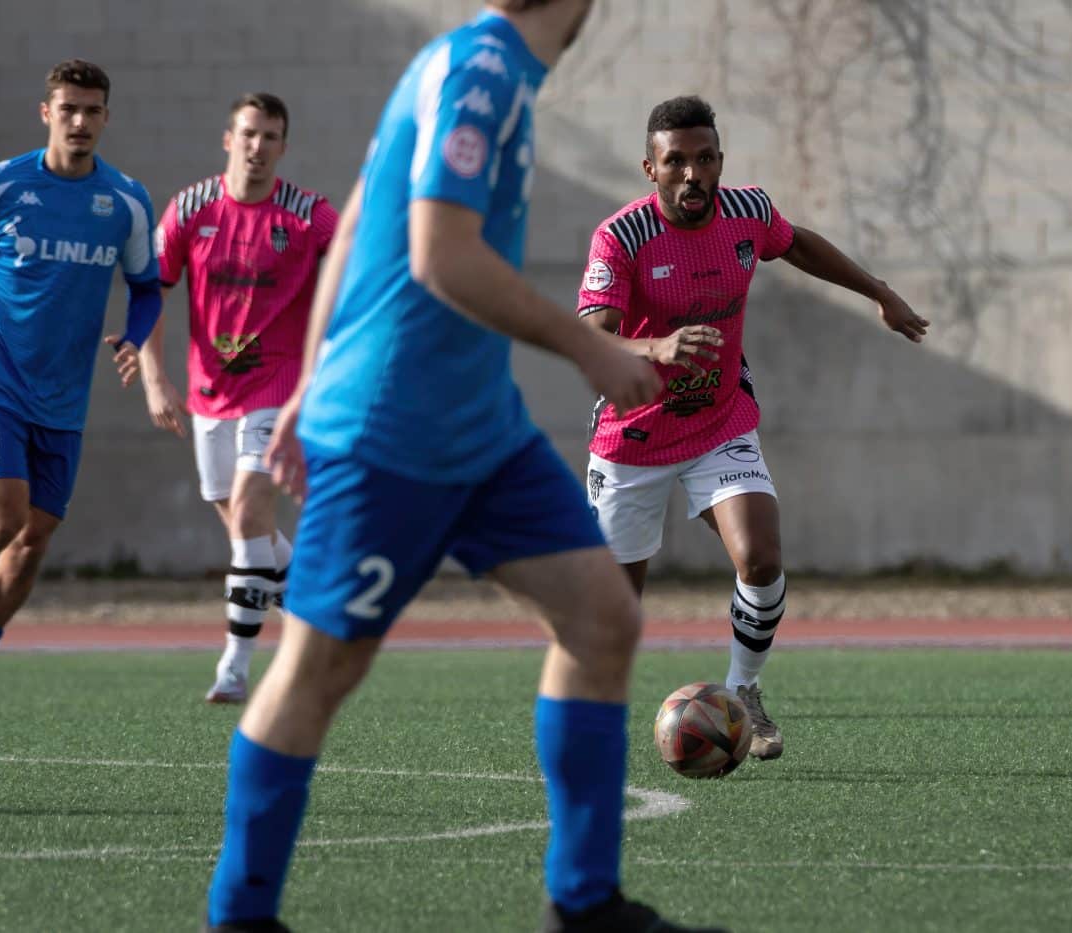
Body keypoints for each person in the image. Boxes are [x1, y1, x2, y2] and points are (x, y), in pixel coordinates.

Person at [202, 5, 724, 933]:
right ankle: (240, 917)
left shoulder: (478, 68)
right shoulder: (478, 71)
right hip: (390, 431)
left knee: (603, 617)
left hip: (479, 429)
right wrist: (594, 351)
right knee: (319, 669)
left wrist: (306, 376)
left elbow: (360, 217)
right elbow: (438, 254)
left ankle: (585, 902)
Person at [576, 95, 929, 761]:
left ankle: (743, 694)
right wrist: (656, 349)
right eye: (675, 161)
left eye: (704, 159)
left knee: (761, 557)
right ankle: (591, 727)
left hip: (718, 421)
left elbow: (798, 246)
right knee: (614, 618)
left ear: (719, 162)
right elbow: (590, 336)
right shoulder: (620, 238)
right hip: (634, 440)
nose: (692, 175)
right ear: (650, 169)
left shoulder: (747, 213)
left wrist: (878, 290)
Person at [0, 59, 161, 720]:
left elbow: (146, 285)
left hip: (64, 401)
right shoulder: (1, 184)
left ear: (106, 117)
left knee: (33, 539)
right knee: (1, 517)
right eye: (69, 109)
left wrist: (135, 335)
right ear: (46, 113)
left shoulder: (124, 202)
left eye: (92, 110)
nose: (81, 122)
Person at [141, 92, 338, 704]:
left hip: (276, 391)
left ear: (283, 146)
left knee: (251, 517)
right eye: (248, 134)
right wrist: (155, 378)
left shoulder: (308, 215)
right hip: (207, 394)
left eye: (270, 137)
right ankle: (315, 615)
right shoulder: (189, 209)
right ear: (229, 139)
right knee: (246, 536)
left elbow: (360, 270)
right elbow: (149, 292)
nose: (258, 147)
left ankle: (234, 667)